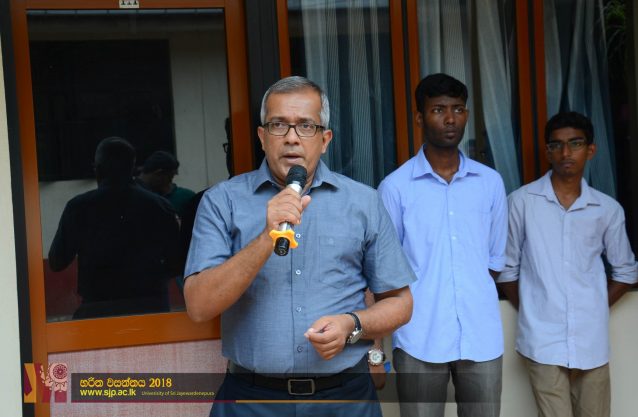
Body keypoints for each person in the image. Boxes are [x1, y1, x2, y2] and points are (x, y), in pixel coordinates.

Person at [183, 76, 415, 417]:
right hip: (252, 401)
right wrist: (266, 236)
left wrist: (352, 325)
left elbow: (400, 303)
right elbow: (199, 306)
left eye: (306, 126)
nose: (291, 137)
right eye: (278, 125)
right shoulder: (223, 202)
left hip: (345, 399)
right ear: (262, 137)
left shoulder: (363, 202)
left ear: (325, 139)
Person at [378, 73, 508, 417]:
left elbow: (495, 260)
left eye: (458, 109)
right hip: (419, 336)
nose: (450, 119)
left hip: (480, 336)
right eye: (438, 110)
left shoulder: (490, 183)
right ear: (420, 118)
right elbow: (385, 270)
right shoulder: (396, 188)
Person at [498, 111, 638, 417]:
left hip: (591, 340)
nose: (565, 153)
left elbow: (626, 271)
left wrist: (595, 306)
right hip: (542, 340)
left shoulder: (607, 209)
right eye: (557, 145)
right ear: (548, 152)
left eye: (575, 143)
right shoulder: (522, 202)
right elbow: (506, 269)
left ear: (591, 149)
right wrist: (534, 308)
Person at [49, 137, 181, 319]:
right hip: (151, 309)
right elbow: (177, 263)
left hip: (99, 310)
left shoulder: (79, 207)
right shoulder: (161, 207)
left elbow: (57, 262)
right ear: (133, 168)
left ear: (98, 169)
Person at [137, 150, 196, 217]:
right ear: (159, 173)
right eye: (170, 177)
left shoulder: (185, 196)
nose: (170, 182)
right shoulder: (135, 196)